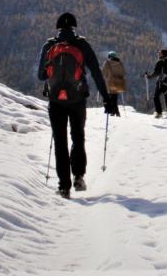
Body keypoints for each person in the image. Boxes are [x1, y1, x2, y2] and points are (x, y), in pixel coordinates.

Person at [37, 12, 112, 199]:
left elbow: (41, 75)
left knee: (60, 142)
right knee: (78, 137)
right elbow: (96, 73)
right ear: (74, 27)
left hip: (55, 102)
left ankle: (64, 187)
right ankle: (78, 177)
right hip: (77, 100)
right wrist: (106, 98)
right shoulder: (82, 45)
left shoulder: (49, 45)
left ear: (58, 28)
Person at [144, 49, 167, 119]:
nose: (158, 53)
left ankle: (159, 113)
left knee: (156, 97)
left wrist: (149, 76)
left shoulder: (160, 62)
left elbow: (156, 73)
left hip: (161, 82)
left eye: (159, 53)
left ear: (163, 54)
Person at [102, 51, 126, 117]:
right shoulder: (120, 63)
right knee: (114, 97)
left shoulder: (107, 62)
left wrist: (106, 77)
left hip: (110, 82)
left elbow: (103, 72)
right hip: (118, 83)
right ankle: (116, 112)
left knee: (109, 97)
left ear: (109, 56)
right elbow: (123, 73)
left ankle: (112, 111)